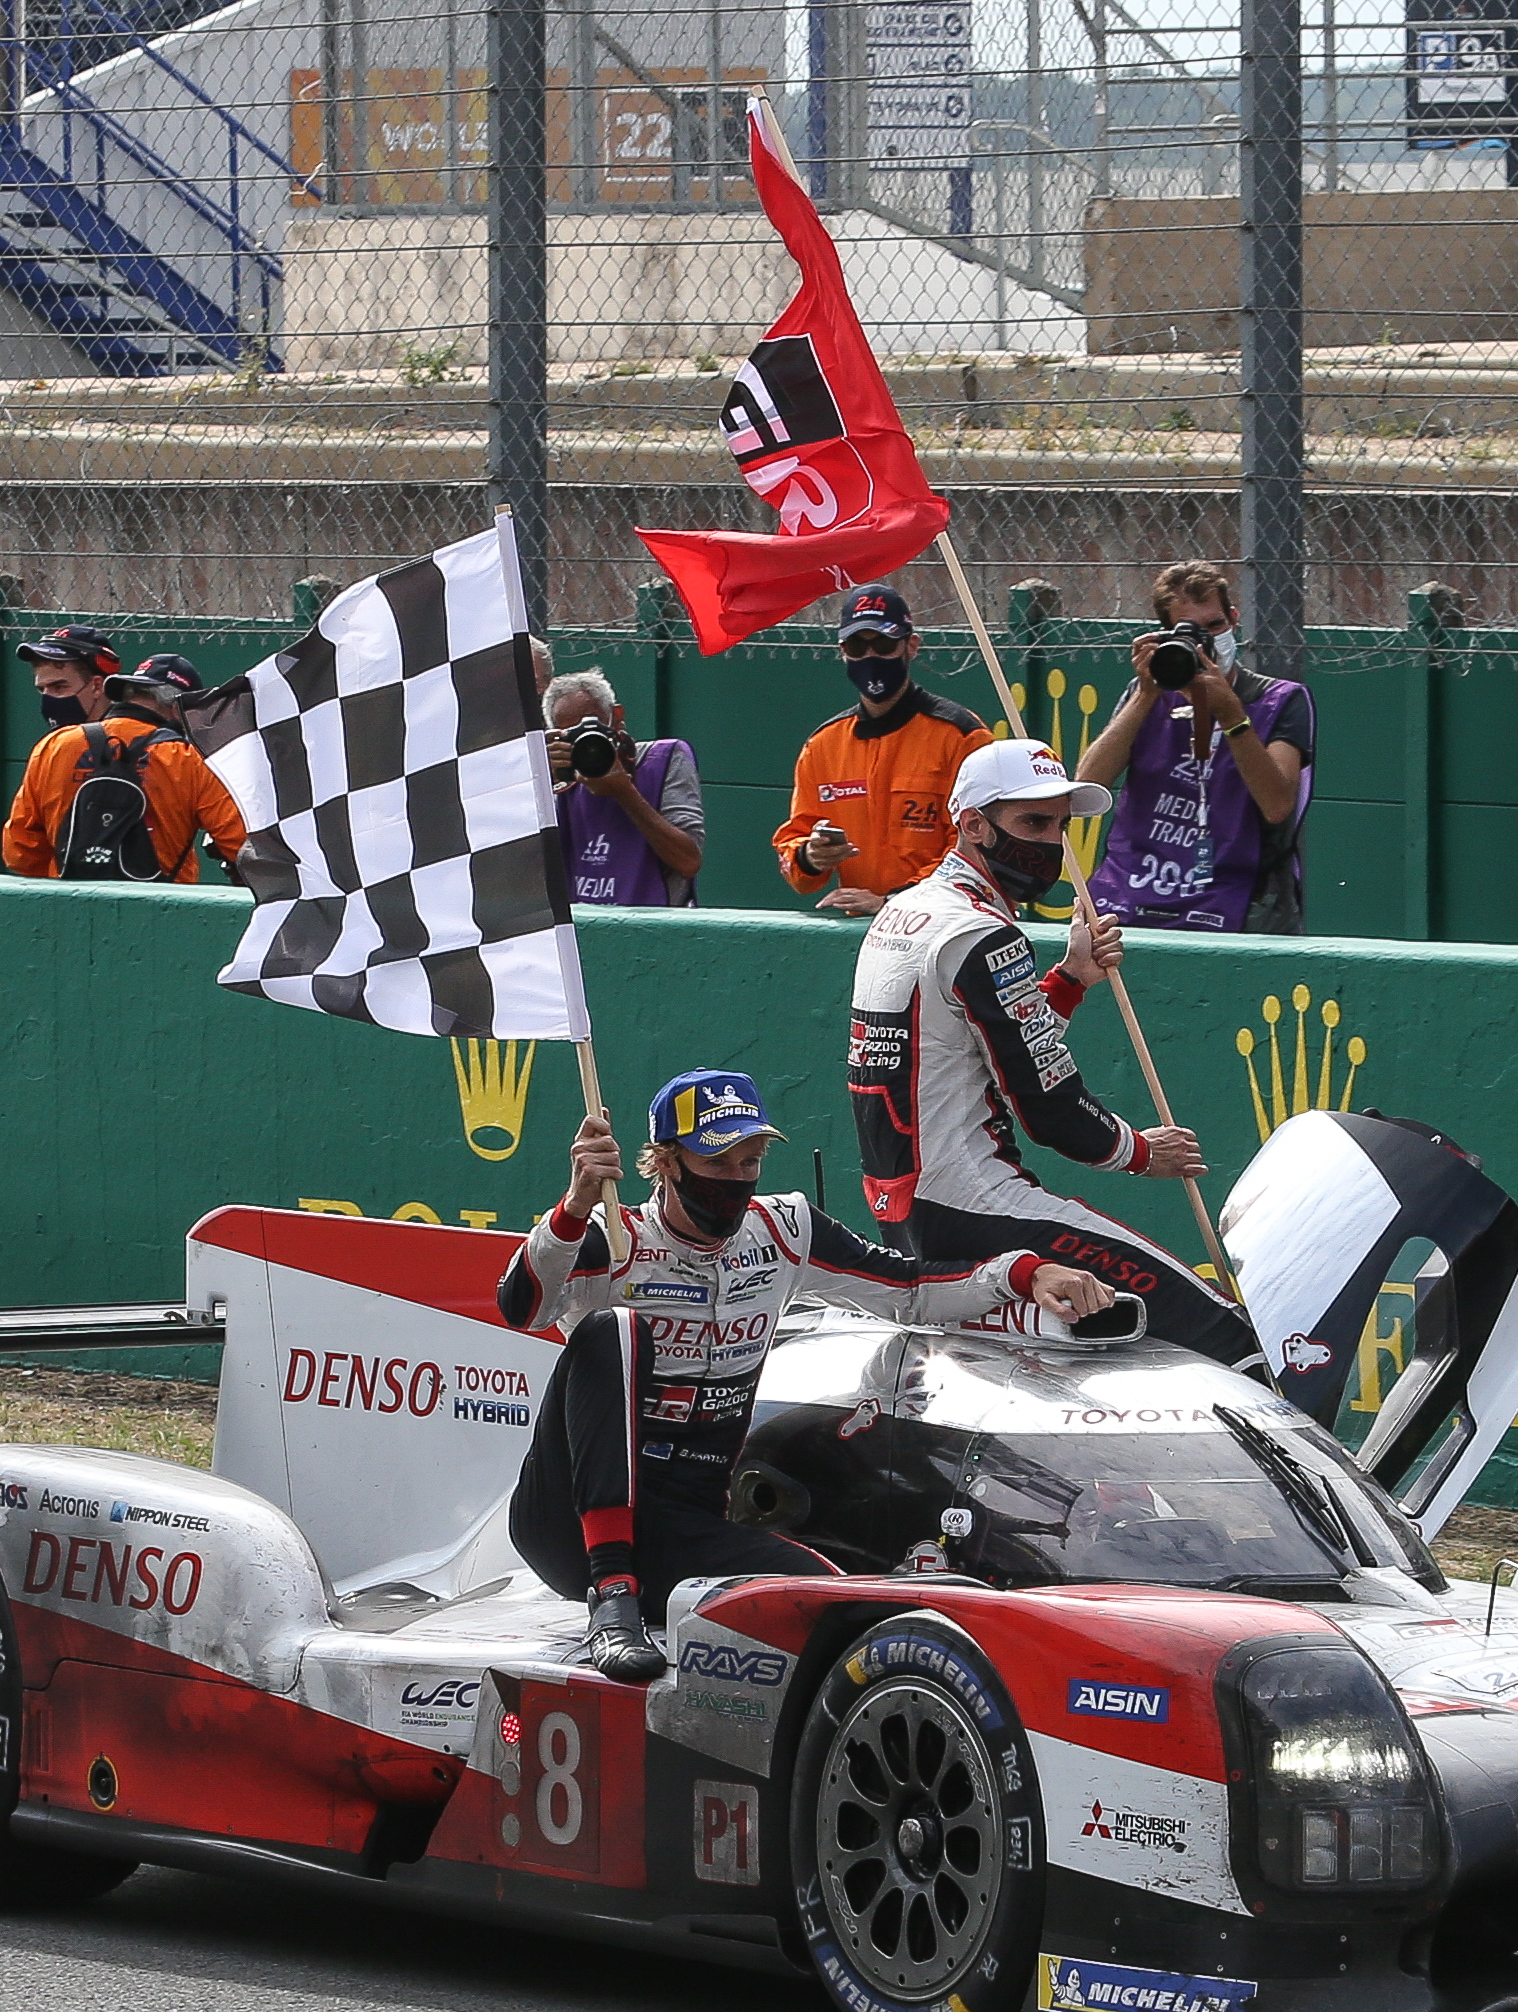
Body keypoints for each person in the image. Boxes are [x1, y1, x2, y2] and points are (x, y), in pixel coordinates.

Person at [495, 1068, 1116, 1677]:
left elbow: (909, 1288)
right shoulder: (611, 1234)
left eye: (749, 1161)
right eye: (716, 1163)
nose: (735, 1180)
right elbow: (520, 1307)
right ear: (666, 1162)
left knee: (840, 1601)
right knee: (616, 1330)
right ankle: (612, 1597)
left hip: (684, 1521)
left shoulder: (784, 1230)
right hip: (567, 1518)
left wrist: (1025, 1275)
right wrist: (574, 1206)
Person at [849, 735, 1256, 1366]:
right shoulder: (981, 933)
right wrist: (1141, 1152)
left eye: (1061, 825)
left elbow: (981, 1050)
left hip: (904, 1206)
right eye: (1033, 822)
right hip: (974, 1201)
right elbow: (1050, 1109)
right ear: (973, 825)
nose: (1049, 842)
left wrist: (1068, 980)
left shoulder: (905, 912)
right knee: (1225, 1336)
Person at [1074, 560, 1317, 935]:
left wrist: (1231, 713)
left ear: (1234, 619)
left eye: (1215, 626)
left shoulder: (1279, 700)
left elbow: (1278, 805)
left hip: (1238, 897)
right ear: (1165, 635)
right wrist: (1146, 694)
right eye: (1191, 633)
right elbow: (1088, 783)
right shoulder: (1147, 697)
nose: (1206, 643)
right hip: (1134, 890)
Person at [770, 583, 990, 916]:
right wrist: (809, 856)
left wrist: (893, 902)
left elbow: (978, 849)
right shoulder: (823, 746)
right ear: (843, 651)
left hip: (951, 921)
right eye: (857, 646)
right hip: (862, 928)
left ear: (910, 646)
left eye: (884, 644)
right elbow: (796, 853)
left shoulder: (962, 736)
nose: (870, 657)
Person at [0, 650, 246, 882]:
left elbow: (19, 850)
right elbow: (240, 846)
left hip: (68, 907)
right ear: (179, 708)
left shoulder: (54, 746)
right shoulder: (188, 758)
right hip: (160, 911)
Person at [541, 659, 705, 907]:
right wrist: (539, 780)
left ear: (616, 717)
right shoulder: (556, 780)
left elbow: (688, 861)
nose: (587, 745)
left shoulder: (661, 760)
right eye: (573, 736)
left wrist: (624, 791)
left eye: (593, 729)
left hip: (658, 925)